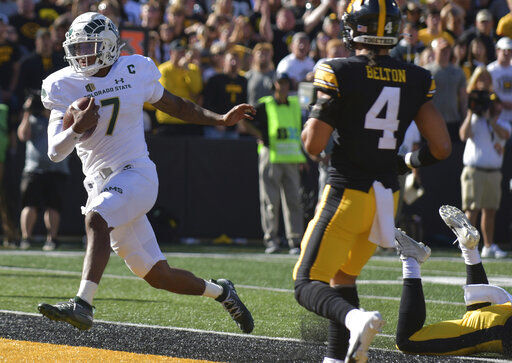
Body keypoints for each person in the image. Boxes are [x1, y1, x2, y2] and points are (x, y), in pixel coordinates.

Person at [37, 12, 255, 334]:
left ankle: (82, 305)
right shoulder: (62, 84)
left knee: (97, 217)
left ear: (110, 46)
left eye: (90, 47)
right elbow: (55, 151)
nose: (83, 55)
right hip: (101, 185)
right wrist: (75, 130)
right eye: (78, 48)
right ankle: (222, 291)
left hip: (136, 173)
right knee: (157, 275)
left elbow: (177, 106)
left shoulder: (134, 69)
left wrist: (220, 119)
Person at [292, 0, 452, 361]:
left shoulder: (338, 70)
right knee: (343, 279)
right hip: (385, 200)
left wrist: (315, 113)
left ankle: (355, 319)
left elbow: (314, 145)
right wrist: (407, 161)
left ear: (355, 29)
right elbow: (441, 147)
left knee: (306, 284)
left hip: (347, 193)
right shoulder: (416, 76)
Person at [394, 205, 512, 357]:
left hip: (505, 318)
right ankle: (411, 259)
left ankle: (469, 249)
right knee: (407, 340)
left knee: (477, 317)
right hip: (503, 326)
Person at [240, 72, 305, 255]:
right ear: (274, 85)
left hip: (291, 158)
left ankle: (295, 241)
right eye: (280, 83)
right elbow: (245, 120)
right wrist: (260, 136)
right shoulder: (265, 104)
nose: (283, 87)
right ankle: (272, 240)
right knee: (270, 201)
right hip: (272, 157)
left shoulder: (294, 104)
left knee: (294, 201)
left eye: (285, 83)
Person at [459, 66, 510, 258]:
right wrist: (471, 111)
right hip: (474, 169)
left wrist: (492, 119)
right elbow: (463, 135)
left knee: (490, 211)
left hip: (493, 171)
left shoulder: (501, 124)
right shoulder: (474, 121)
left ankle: (488, 245)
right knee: (471, 210)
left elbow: (504, 134)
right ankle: (468, 246)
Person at [17, 91, 70, 251]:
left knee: (53, 206)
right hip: (34, 169)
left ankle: (52, 239)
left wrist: (51, 112)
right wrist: (27, 111)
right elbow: (23, 135)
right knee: (29, 205)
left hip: (56, 169)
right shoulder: (32, 120)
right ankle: (26, 238)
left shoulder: (61, 119)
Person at [424, 37, 467, 143]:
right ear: (435, 51)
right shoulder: (426, 71)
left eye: (448, 50)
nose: (445, 52)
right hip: (433, 121)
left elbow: (463, 98)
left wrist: (464, 119)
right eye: (442, 50)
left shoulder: (458, 71)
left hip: (453, 120)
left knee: (452, 153)